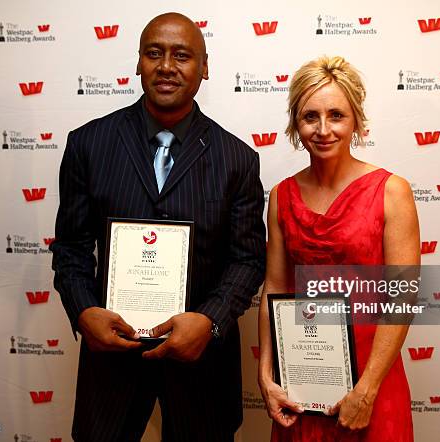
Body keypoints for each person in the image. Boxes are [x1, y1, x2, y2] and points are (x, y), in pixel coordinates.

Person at [50, 12, 266, 442]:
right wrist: (83, 311)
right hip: (112, 363)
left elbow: (247, 260)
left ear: (205, 67)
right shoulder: (88, 144)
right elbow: (71, 249)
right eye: (154, 53)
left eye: (182, 55)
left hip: (202, 365)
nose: (167, 66)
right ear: (138, 63)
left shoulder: (237, 158)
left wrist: (210, 321)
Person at [257, 56, 420, 441]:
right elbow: (275, 288)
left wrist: (367, 389)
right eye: (310, 117)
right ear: (296, 124)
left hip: (371, 382)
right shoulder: (282, 195)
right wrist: (266, 374)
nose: (323, 129)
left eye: (337, 115)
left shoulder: (391, 191)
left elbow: (402, 297)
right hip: (302, 383)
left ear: (357, 121)